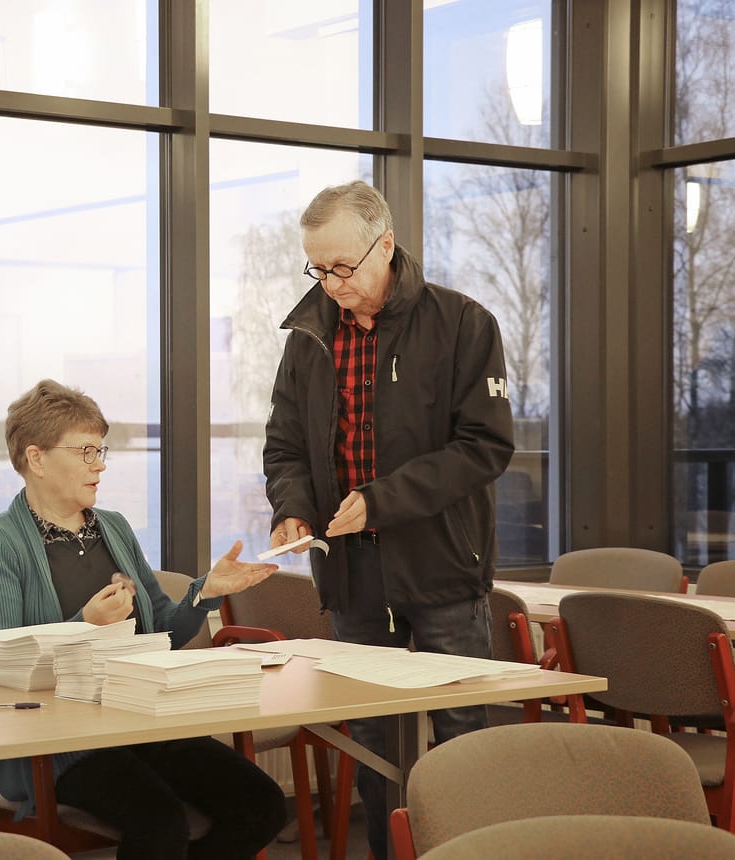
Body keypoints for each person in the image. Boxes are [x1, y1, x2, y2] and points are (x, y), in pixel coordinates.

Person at [262, 181, 515, 858]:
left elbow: (485, 447)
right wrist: (293, 508)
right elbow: (284, 446)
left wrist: (382, 500)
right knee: (372, 746)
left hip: (444, 570)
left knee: (462, 743)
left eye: (344, 266)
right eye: (318, 268)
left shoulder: (463, 324)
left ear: (387, 246)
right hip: (352, 575)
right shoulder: (309, 338)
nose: (332, 284)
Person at [0, 379, 287, 860]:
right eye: (86, 452)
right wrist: (85, 625)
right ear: (36, 459)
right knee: (161, 823)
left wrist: (205, 594)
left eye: (101, 451)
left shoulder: (113, 527)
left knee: (262, 805)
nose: (101, 465)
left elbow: (163, 634)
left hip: (140, 723)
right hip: (57, 745)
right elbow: (4, 665)